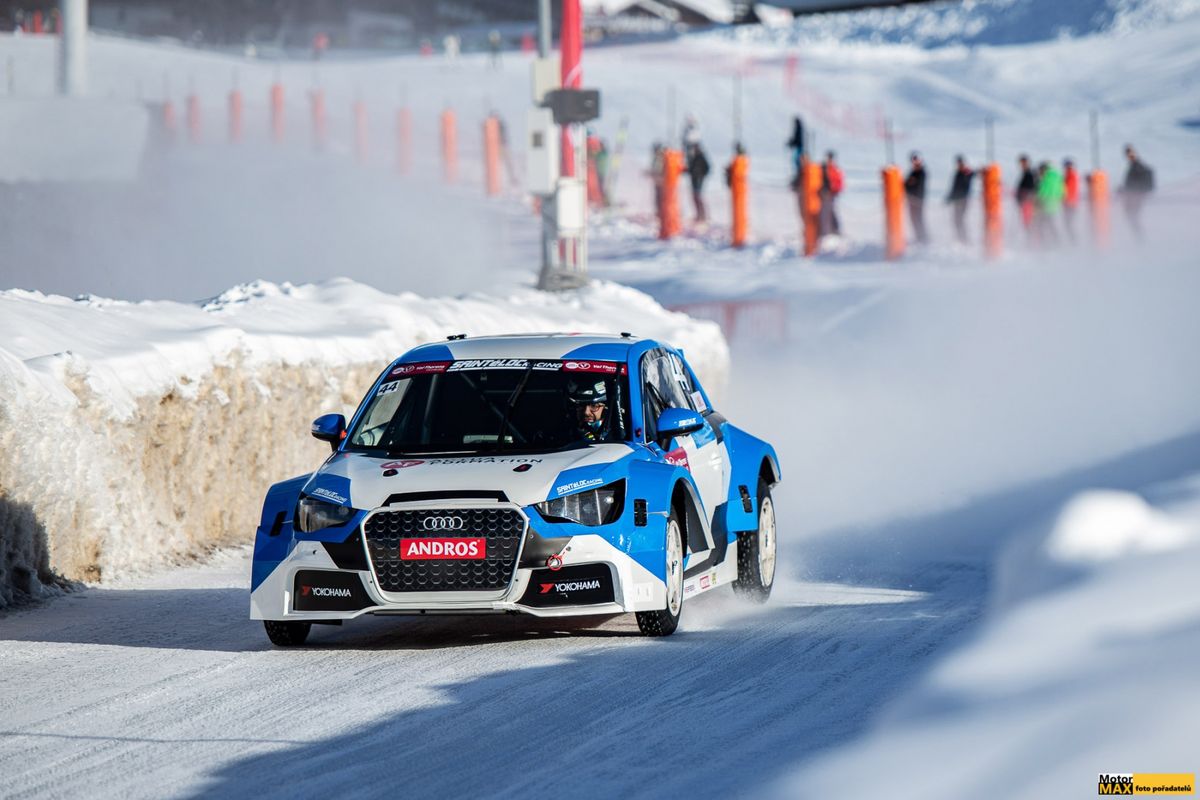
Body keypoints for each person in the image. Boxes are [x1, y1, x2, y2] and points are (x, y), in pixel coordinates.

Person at [1119, 144, 1154, 240]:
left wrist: (1129, 189)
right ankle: (1139, 238)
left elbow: (1134, 184)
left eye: (1130, 153)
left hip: (1136, 198)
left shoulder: (1138, 166)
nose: (1129, 156)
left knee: (1133, 218)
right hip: (1134, 198)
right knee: (1132, 218)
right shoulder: (1134, 166)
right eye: (1127, 154)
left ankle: (1140, 239)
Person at [945, 155, 975, 244]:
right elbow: (954, 188)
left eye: (961, 163)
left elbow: (973, 174)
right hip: (956, 200)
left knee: (960, 220)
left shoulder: (967, 172)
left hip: (963, 200)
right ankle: (960, 237)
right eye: (958, 163)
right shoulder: (957, 174)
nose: (959, 165)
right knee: (956, 220)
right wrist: (949, 198)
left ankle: (964, 238)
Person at [1036, 161, 1064, 247]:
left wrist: (1037, 199)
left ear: (1044, 169)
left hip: (1045, 205)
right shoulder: (1057, 177)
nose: (1039, 173)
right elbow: (1062, 191)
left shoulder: (1047, 178)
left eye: (1040, 171)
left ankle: (1046, 244)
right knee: (1051, 225)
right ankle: (1057, 242)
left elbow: (1043, 191)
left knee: (1041, 226)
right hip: (1054, 205)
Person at [904, 151, 928, 244]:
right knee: (914, 220)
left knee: (918, 220)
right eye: (913, 160)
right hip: (912, 201)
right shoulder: (913, 172)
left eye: (916, 159)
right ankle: (919, 237)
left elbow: (915, 186)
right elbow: (906, 185)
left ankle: (923, 238)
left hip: (918, 201)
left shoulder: (921, 173)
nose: (915, 162)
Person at [686, 141, 710, 224]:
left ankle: (703, 216)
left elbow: (707, 168)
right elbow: (691, 169)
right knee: (695, 197)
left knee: (698, 197)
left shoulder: (701, 156)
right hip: (694, 180)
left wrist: (701, 175)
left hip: (699, 180)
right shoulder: (693, 157)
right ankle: (698, 215)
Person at [819, 151, 843, 237]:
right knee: (824, 213)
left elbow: (839, 182)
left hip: (831, 194)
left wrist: (833, 190)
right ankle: (826, 231)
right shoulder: (823, 168)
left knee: (830, 212)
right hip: (823, 194)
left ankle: (833, 230)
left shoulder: (835, 169)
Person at [1015, 154, 1038, 240]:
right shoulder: (1026, 174)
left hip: (1028, 203)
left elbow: (1031, 189)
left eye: (1023, 163)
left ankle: (1032, 241)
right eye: (1021, 163)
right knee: (1027, 224)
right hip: (1025, 203)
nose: (1022, 165)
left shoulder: (1029, 174)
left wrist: (1024, 198)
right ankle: (1030, 240)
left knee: (1029, 224)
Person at [1062, 158, 1080, 244]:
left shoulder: (1071, 175)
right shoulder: (1069, 175)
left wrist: (1065, 198)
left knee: (1069, 224)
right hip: (1070, 202)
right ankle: (1072, 241)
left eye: (1068, 166)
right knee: (1068, 224)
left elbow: (1068, 189)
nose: (1066, 167)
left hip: (1070, 203)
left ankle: (1073, 241)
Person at [786, 116, 806, 187]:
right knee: (796, 162)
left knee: (797, 162)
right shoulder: (799, 128)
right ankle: (798, 176)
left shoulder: (798, 129)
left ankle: (799, 177)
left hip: (798, 148)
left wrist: (791, 143)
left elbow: (797, 139)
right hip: (798, 147)